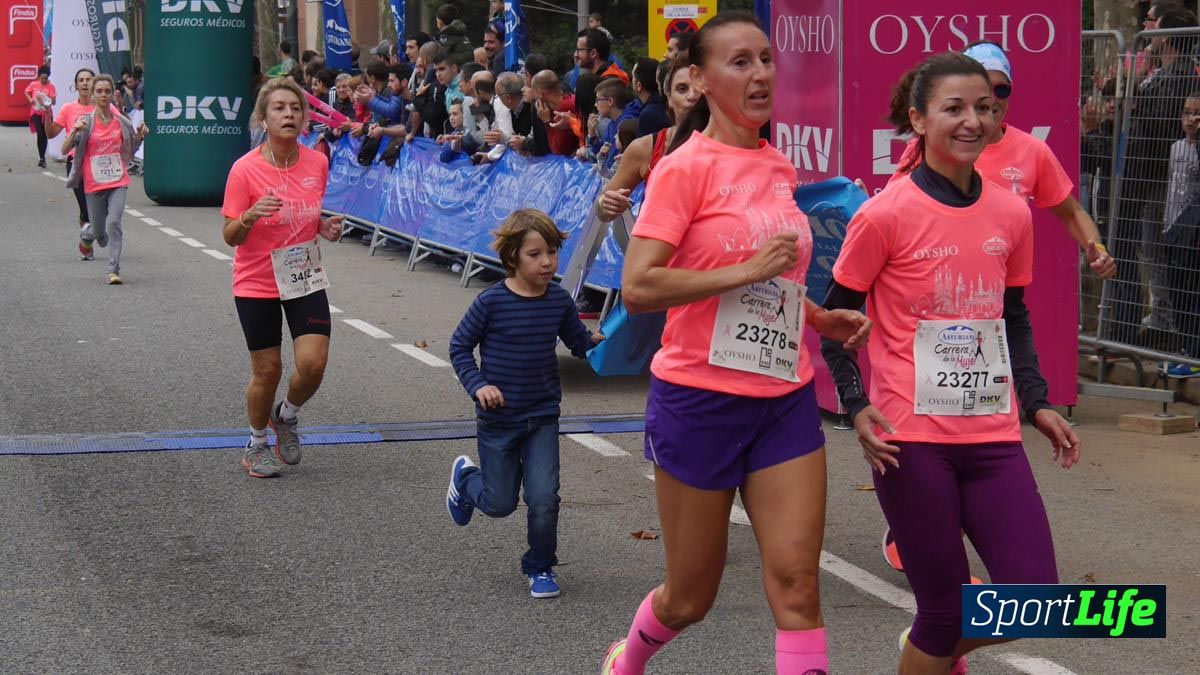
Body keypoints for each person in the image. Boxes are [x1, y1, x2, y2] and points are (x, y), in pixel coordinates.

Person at [601, 14, 871, 675]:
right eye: (740, 62)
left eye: (766, 60)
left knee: (798, 586)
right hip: (698, 401)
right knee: (691, 596)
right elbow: (639, 287)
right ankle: (629, 658)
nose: (760, 75)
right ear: (699, 77)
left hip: (784, 399)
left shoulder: (777, 164)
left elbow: (772, 274)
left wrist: (816, 315)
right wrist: (745, 269)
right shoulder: (682, 169)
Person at [821, 52, 1081, 675]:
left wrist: (1039, 401)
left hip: (991, 435)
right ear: (918, 118)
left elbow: (1012, 316)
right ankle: (929, 647)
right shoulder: (884, 214)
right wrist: (857, 407)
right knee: (943, 611)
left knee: (1039, 599)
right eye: (955, 108)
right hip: (910, 440)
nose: (973, 121)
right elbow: (836, 329)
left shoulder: (1010, 213)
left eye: (986, 109)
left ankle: (922, 654)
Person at [446, 208, 604, 599]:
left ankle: (540, 566)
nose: (547, 262)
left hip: (542, 416)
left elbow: (579, 343)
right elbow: (459, 347)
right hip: (499, 420)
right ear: (513, 256)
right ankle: (466, 480)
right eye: (535, 254)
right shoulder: (491, 302)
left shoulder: (559, 301)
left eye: (552, 252)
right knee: (499, 504)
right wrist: (479, 385)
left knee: (544, 498)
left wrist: (607, 342)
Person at [889, 41, 1116, 280]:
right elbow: (891, 212)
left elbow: (1071, 212)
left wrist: (1097, 251)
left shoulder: (1032, 150)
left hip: (998, 294)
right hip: (938, 284)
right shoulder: (930, 147)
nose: (993, 99)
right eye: (984, 88)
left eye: (1002, 89)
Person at [220, 77, 346, 479]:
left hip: (302, 276)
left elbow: (305, 213)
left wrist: (323, 226)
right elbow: (229, 236)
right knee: (268, 370)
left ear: (304, 118)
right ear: (263, 118)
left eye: (295, 108)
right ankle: (256, 444)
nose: (288, 114)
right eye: (279, 108)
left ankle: (286, 415)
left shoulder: (317, 162)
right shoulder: (245, 169)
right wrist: (249, 216)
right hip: (257, 280)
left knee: (313, 365)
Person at [63, 75, 146, 285]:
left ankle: (113, 269)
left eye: (107, 91)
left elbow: (132, 149)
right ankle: (87, 235)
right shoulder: (87, 123)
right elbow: (65, 149)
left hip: (118, 181)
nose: (103, 95)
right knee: (100, 233)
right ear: (92, 94)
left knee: (115, 222)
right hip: (93, 184)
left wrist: (140, 136)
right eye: (99, 91)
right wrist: (74, 132)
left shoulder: (121, 122)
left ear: (112, 94)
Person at [594, 56, 699, 224]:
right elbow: (601, 207)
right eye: (682, 88)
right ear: (669, 97)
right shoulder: (645, 148)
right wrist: (606, 204)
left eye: (699, 87)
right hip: (661, 246)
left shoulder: (735, 144)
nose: (693, 96)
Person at [1163, 92, 1200, 377]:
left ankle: (1194, 351)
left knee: (1190, 292)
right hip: (1171, 227)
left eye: (1197, 114)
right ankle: (1185, 348)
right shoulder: (1175, 148)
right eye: (1187, 113)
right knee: (1175, 290)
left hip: (1191, 231)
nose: (1191, 119)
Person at [46, 68, 100, 237]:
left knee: (100, 207)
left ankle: (97, 230)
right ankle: (87, 241)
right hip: (76, 163)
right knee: (85, 209)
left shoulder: (103, 107)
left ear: (94, 83)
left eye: (88, 79)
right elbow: (51, 133)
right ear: (76, 86)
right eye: (81, 80)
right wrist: (47, 114)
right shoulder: (68, 108)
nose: (85, 83)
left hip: (99, 163)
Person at [24, 65, 55, 168]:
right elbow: (26, 92)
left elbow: (54, 102)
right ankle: (41, 157)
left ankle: (42, 158)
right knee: (40, 134)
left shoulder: (51, 87)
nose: (44, 80)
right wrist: (31, 99)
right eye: (42, 78)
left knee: (44, 135)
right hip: (35, 113)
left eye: (46, 78)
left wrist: (46, 98)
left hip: (46, 114)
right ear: (38, 77)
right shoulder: (33, 85)